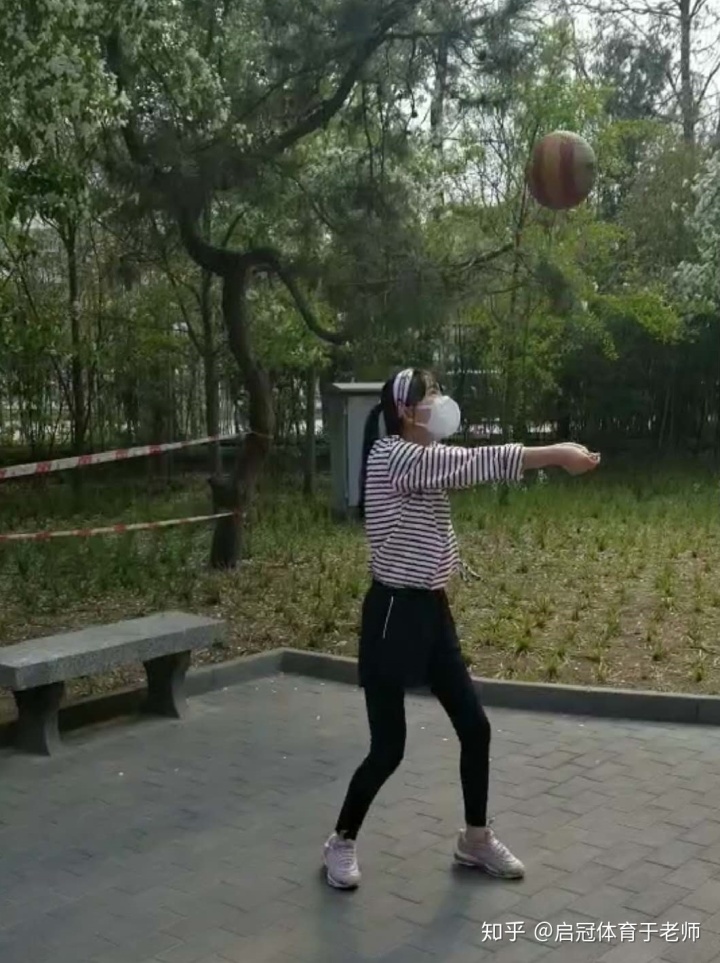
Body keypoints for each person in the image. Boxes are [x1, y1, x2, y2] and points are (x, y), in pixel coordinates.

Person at [322, 368, 600, 890]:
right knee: (388, 749)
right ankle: (341, 841)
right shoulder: (392, 456)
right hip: (392, 616)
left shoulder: (423, 457)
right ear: (405, 410)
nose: (440, 400)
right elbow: (474, 462)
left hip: (431, 612)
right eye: (430, 394)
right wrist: (556, 453)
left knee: (475, 727)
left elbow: (457, 473)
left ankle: (475, 838)